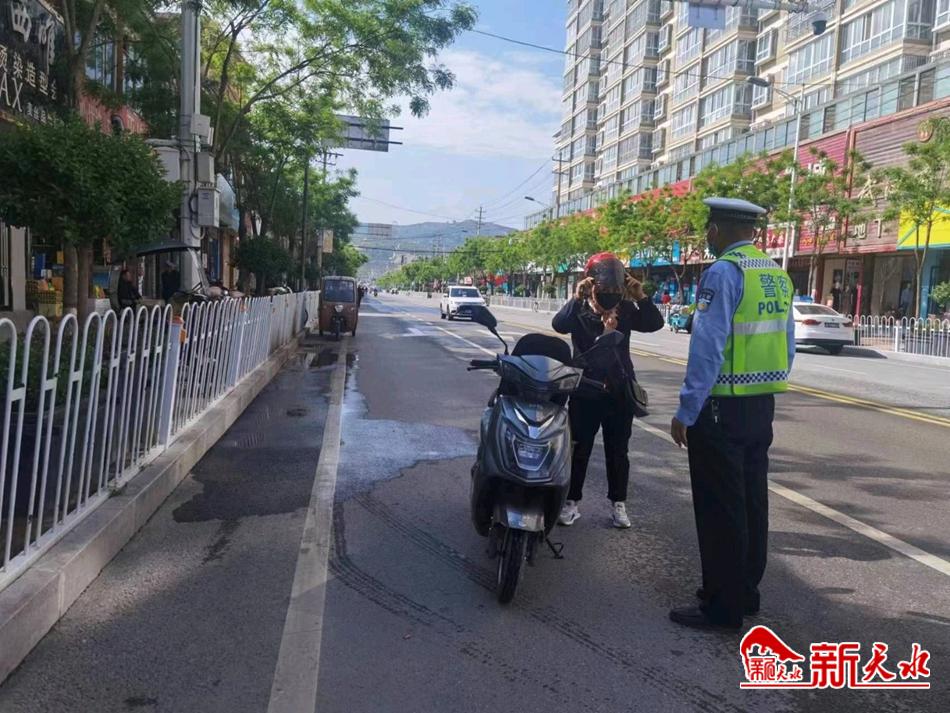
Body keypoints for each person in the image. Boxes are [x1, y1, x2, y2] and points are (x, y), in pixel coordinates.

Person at [669, 198, 796, 630]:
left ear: (716, 230)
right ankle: (745, 591)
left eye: (709, 229)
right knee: (752, 501)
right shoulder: (775, 273)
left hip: (721, 405)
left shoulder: (724, 272)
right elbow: (787, 343)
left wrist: (687, 410)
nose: (708, 236)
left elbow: (707, 347)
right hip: (760, 405)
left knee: (720, 508)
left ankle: (722, 606)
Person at [552, 253, 664, 529]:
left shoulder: (625, 309)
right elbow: (558, 325)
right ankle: (571, 502)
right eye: (605, 287)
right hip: (586, 391)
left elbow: (654, 323)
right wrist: (576, 297)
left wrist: (641, 296)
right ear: (591, 283)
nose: (611, 292)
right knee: (579, 448)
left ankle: (618, 504)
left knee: (618, 451)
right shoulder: (580, 308)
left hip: (618, 391)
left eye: (616, 287)